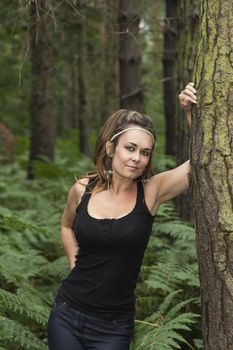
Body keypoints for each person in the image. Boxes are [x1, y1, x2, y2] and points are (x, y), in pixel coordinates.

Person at [47, 82, 197, 350]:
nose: (137, 158)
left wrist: (190, 114)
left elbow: (200, 160)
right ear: (110, 149)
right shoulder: (82, 189)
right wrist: (73, 259)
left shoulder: (152, 193)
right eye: (130, 148)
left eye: (145, 152)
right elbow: (66, 226)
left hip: (113, 327)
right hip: (66, 315)